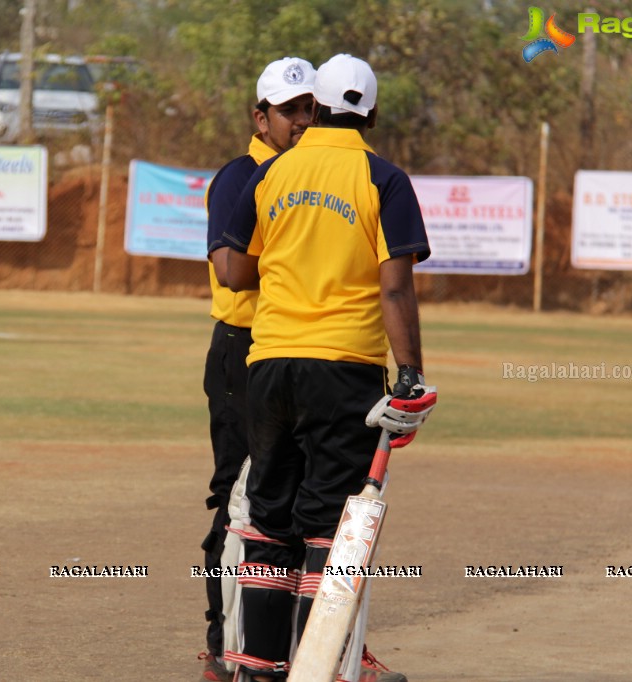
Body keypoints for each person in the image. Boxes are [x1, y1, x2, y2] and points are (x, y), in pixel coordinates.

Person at [219, 54, 436, 682]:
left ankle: (258, 670)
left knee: (268, 519)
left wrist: (291, 267)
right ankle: (315, 670)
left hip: (269, 363)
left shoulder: (272, 172)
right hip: (342, 367)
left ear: (312, 108)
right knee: (328, 529)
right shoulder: (384, 179)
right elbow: (395, 290)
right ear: (372, 113)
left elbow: (232, 270)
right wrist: (411, 372)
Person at [200, 57, 317, 682]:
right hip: (242, 352)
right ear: (260, 116)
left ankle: (295, 648)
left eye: (309, 109)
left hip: (295, 349)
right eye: (289, 109)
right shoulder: (241, 175)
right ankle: (224, 649)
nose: (301, 120)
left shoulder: (310, 175)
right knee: (239, 501)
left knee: (297, 502)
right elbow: (228, 268)